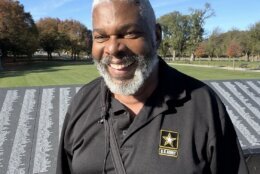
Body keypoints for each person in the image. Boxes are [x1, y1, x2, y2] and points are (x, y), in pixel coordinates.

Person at [57, 0, 248, 173]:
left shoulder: (202, 105)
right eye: (101, 37)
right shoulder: (82, 102)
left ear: (156, 36)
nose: (113, 49)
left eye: (130, 33)